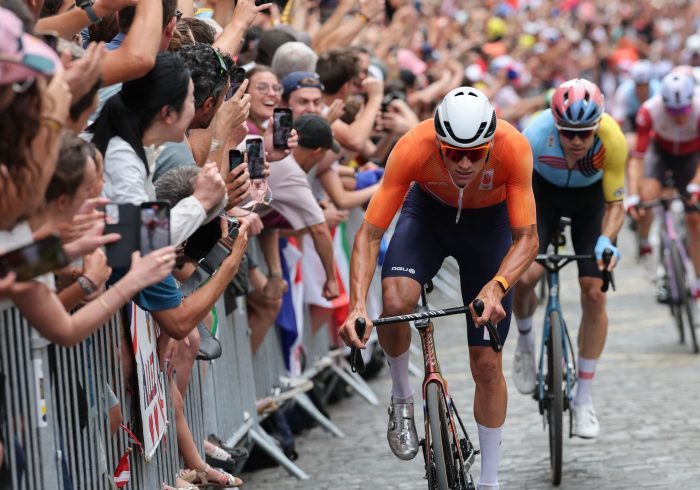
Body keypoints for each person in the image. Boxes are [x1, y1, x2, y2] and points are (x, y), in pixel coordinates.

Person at [339, 86, 538, 490]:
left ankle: (490, 481)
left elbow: (527, 239)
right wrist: (358, 305)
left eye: (475, 153)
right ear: (439, 142)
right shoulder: (414, 144)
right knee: (395, 301)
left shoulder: (513, 146)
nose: (464, 163)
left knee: (486, 364)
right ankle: (402, 398)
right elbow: (369, 234)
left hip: (490, 228)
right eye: (453, 153)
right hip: (428, 218)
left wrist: (497, 287)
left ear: (490, 141)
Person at [511, 79, 627, 439]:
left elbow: (615, 204)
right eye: (568, 133)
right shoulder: (533, 135)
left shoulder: (613, 139)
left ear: (597, 125)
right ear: (555, 123)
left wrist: (607, 241)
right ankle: (527, 342)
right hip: (541, 199)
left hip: (589, 204)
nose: (577, 141)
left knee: (594, 292)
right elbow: (517, 197)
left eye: (585, 133)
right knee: (526, 277)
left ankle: (583, 399)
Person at [626, 71, 700, 297]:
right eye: (673, 112)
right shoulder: (649, 110)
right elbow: (637, 159)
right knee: (647, 195)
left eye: (683, 111)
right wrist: (632, 195)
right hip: (661, 152)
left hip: (690, 156)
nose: (679, 117)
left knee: (694, 219)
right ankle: (647, 240)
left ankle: (697, 279)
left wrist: (696, 184)